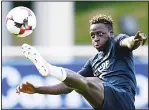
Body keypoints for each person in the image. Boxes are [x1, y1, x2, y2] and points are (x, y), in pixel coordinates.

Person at [16, 14, 147, 110]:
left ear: (111, 34)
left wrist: (135, 41)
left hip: (123, 100)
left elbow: (128, 43)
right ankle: (50, 69)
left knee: (89, 82)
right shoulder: (93, 62)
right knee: (79, 83)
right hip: (106, 105)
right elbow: (68, 87)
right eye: (92, 35)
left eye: (100, 34)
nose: (95, 38)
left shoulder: (117, 42)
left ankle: (50, 68)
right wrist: (37, 89)